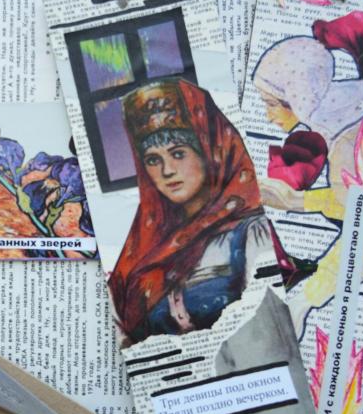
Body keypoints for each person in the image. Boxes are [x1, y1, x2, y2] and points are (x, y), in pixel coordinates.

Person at [252, 36, 363, 337]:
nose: (267, 115)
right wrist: (299, 201)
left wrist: (305, 301)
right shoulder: (349, 108)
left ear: (296, 97)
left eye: (271, 103)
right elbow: (362, 198)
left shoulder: (349, 137)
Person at [109, 79, 274, 344]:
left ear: (210, 152)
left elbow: (268, 328)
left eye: (178, 154)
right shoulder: (145, 247)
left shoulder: (252, 233)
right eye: (153, 160)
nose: (167, 171)